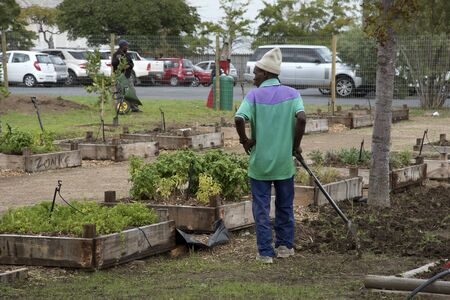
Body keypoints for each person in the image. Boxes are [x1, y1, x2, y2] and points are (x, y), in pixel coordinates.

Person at [234, 47, 306, 264]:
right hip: (284, 163)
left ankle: (265, 252)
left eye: (256, 72)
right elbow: (301, 119)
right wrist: (295, 145)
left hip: (260, 164)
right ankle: (284, 246)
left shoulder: (254, 95)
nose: (254, 76)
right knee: (285, 206)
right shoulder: (292, 94)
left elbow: (239, 118)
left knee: (262, 208)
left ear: (265, 74)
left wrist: (244, 141)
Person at [111, 39, 142, 112]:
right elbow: (113, 64)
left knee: (132, 92)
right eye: (126, 45)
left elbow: (132, 64)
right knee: (120, 92)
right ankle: (121, 108)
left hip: (128, 76)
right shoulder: (116, 54)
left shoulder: (127, 54)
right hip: (119, 77)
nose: (127, 47)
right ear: (122, 46)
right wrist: (118, 60)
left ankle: (134, 108)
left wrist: (129, 66)